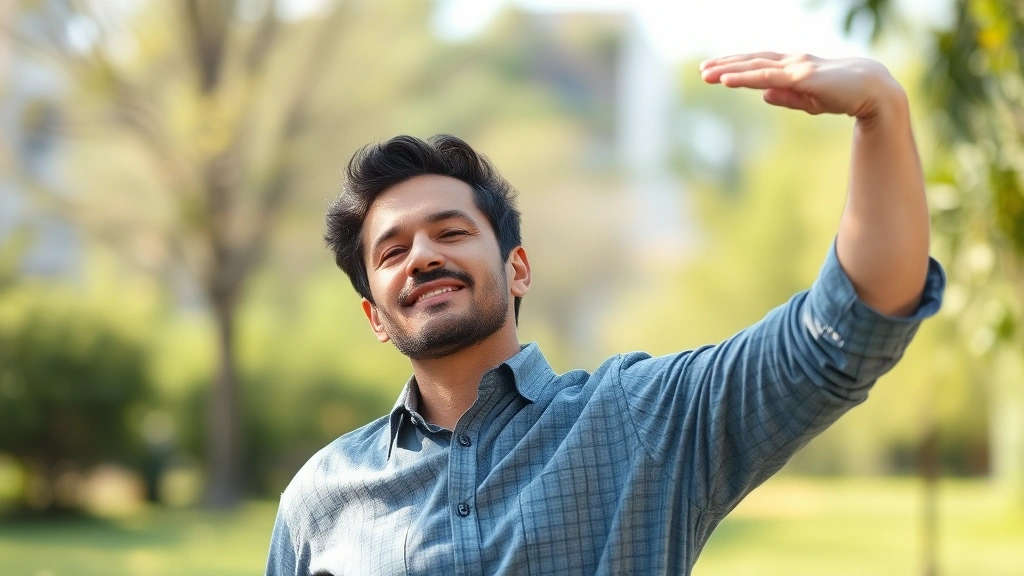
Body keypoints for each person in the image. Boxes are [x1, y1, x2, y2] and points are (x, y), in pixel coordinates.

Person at [265, 52, 945, 575]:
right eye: (392, 251)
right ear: (374, 315)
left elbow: (843, 332)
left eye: (449, 232)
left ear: (517, 268)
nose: (420, 257)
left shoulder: (638, 420)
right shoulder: (321, 501)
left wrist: (881, 112)